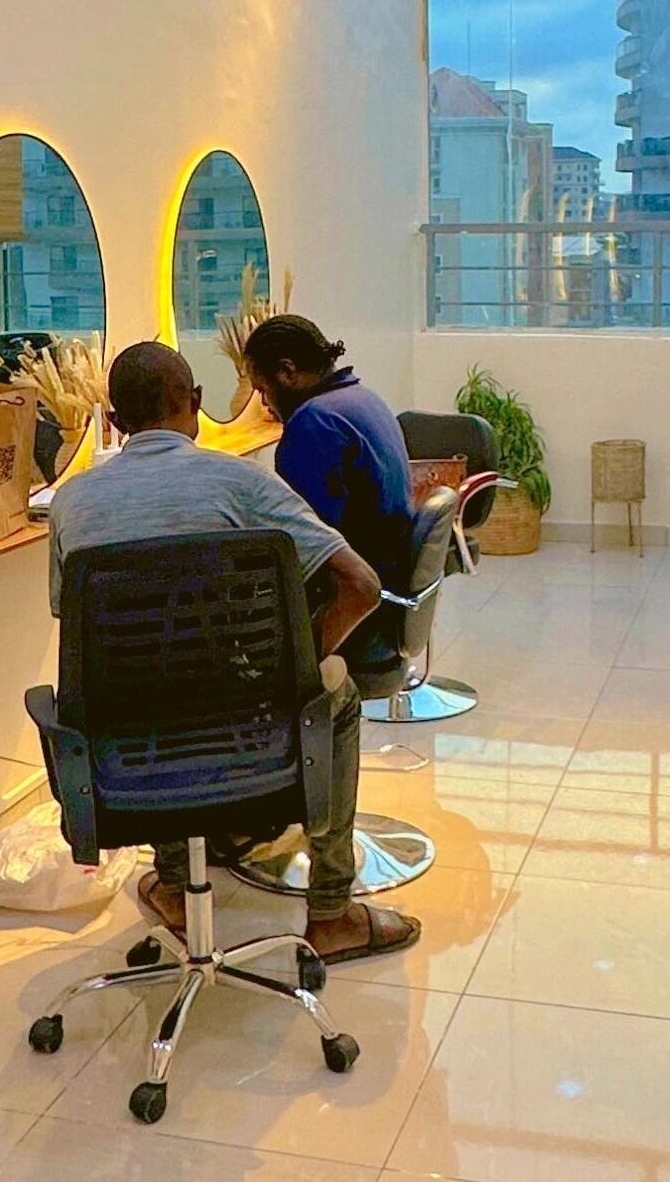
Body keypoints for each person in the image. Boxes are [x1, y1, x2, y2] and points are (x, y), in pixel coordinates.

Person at [47, 341, 421, 965]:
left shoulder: (71, 502)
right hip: (246, 727)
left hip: (127, 748)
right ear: (194, 404)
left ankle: (173, 883)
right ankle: (331, 913)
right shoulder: (242, 483)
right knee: (338, 697)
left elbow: (72, 619)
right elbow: (361, 585)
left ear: (111, 422)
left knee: (150, 695)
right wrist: (299, 667)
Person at [243, 315, 418, 613]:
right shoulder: (362, 398)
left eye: (262, 390)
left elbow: (302, 541)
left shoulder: (314, 424)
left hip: (356, 599)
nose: (264, 403)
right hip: (392, 580)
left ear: (287, 371)